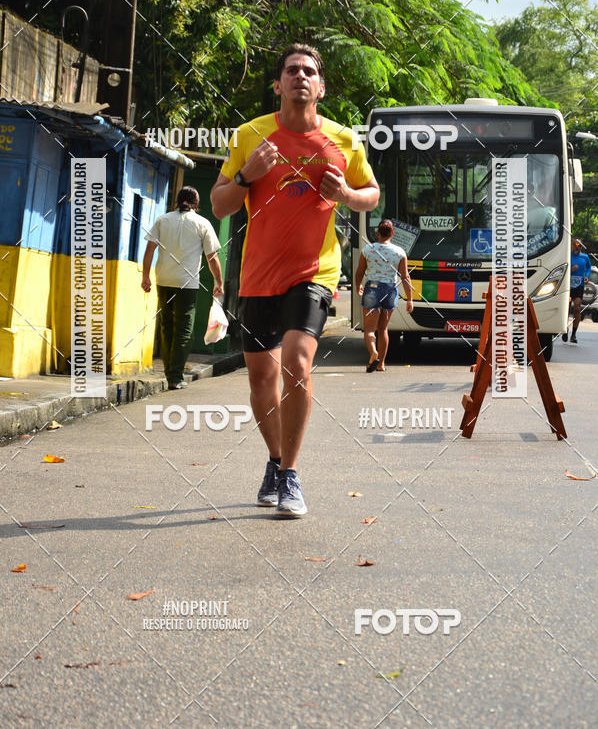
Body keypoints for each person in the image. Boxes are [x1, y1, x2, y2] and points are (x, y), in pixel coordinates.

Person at [210, 43, 379, 518]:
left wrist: (345, 192)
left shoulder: (345, 140)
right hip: (258, 276)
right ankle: (274, 459)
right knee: (262, 378)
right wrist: (247, 175)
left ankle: (290, 476)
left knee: (298, 365)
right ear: (279, 84)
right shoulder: (249, 136)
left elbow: (371, 193)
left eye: (309, 71)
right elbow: (220, 203)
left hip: (314, 274)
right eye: (292, 71)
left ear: (320, 87)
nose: (300, 77)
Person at [141, 187, 223, 389]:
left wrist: (145, 277)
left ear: (177, 202)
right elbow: (212, 257)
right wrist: (218, 282)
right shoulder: (202, 223)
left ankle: (171, 373)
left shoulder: (163, 220)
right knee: (184, 329)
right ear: (196, 204)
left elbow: (150, 248)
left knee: (166, 326)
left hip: (163, 279)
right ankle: (175, 377)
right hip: (186, 284)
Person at [355, 219, 413, 371]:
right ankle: (381, 364)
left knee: (369, 330)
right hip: (390, 290)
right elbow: (405, 277)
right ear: (392, 233)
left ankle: (373, 353)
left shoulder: (368, 249)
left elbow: (360, 271)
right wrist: (410, 299)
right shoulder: (400, 252)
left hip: (373, 289)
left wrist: (358, 285)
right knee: (383, 329)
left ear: (377, 233)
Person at [562, 238, 591, 344]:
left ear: (581, 247)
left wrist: (586, 276)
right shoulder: (567, 256)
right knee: (567, 309)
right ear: (572, 246)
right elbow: (561, 268)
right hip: (567, 286)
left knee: (577, 308)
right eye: (575, 245)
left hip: (579, 285)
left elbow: (588, 267)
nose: (577, 247)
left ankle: (574, 334)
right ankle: (565, 330)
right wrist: (570, 270)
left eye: (579, 246)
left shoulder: (585, 257)